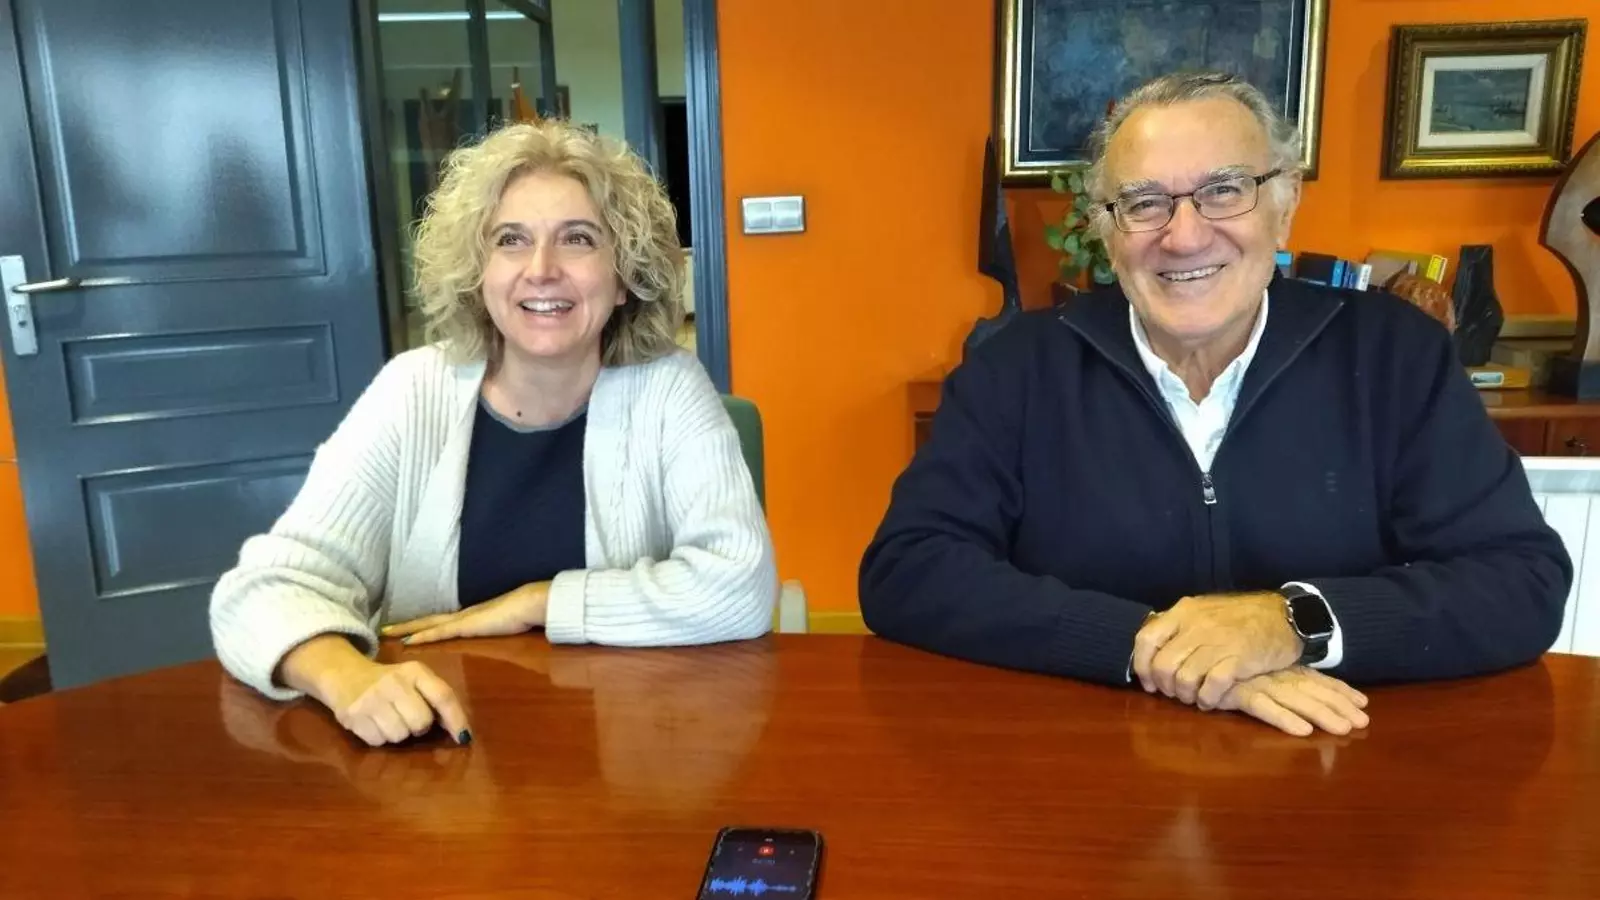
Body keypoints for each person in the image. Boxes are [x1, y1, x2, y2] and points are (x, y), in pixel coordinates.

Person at [859, 71, 1570, 736]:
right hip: (1079, 768)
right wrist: (1148, 645)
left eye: (1225, 190)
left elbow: (1518, 580)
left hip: (1344, 763)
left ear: (1284, 206)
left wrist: (1290, 623)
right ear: (1107, 230)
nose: (1185, 235)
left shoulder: (1394, 354)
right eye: (1144, 203)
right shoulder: (1016, 366)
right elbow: (908, 569)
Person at [211, 119, 778, 747]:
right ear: (478, 272)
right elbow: (260, 592)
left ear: (623, 277)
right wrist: (346, 678)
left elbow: (741, 587)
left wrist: (540, 601)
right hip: (432, 757)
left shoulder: (668, 388)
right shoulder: (412, 392)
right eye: (511, 240)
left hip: (631, 751)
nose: (541, 269)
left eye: (578, 239)